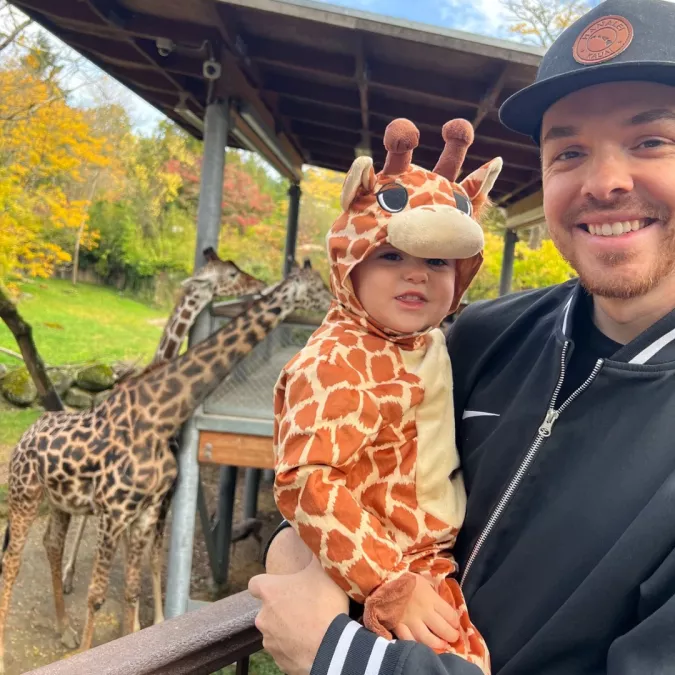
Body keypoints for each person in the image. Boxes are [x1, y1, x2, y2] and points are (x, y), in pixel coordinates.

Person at [250, 0, 675, 673]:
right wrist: (296, 552)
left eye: (650, 140)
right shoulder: (480, 338)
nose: (603, 182)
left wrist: (341, 655)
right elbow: (352, 483)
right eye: (567, 150)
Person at [272, 117, 502, 673]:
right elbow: (305, 480)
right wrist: (388, 581)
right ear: (350, 260)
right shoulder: (338, 360)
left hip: (429, 560)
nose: (417, 277)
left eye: (438, 262)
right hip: (389, 568)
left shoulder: (425, 342)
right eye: (393, 256)